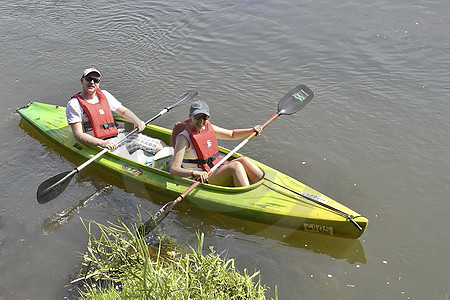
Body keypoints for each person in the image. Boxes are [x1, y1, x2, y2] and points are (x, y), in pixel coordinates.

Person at [66, 67, 165, 154]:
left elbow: (123, 112)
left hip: (118, 135)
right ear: (82, 80)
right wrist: (102, 143)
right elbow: (78, 134)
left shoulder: (105, 95)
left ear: (98, 83)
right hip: (98, 144)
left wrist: (137, 121)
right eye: (89, 79)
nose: (92, 82)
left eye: (95, 80)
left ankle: (176, 160)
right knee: (135, 147)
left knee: (159, 144)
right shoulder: (74, 104)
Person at [170, 101, 264, 187]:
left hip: (215, 167)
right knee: (235, 166)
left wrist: (251, 130)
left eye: (205, 117)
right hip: (201, 176)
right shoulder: (183, 139)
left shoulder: (208, 128)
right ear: (190, 116)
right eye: (198, 117)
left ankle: (263, 185)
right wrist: (195, 173)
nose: (201, 121)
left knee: (244, 161)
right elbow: (174, 169)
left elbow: (232, 134)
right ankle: (247, 196)